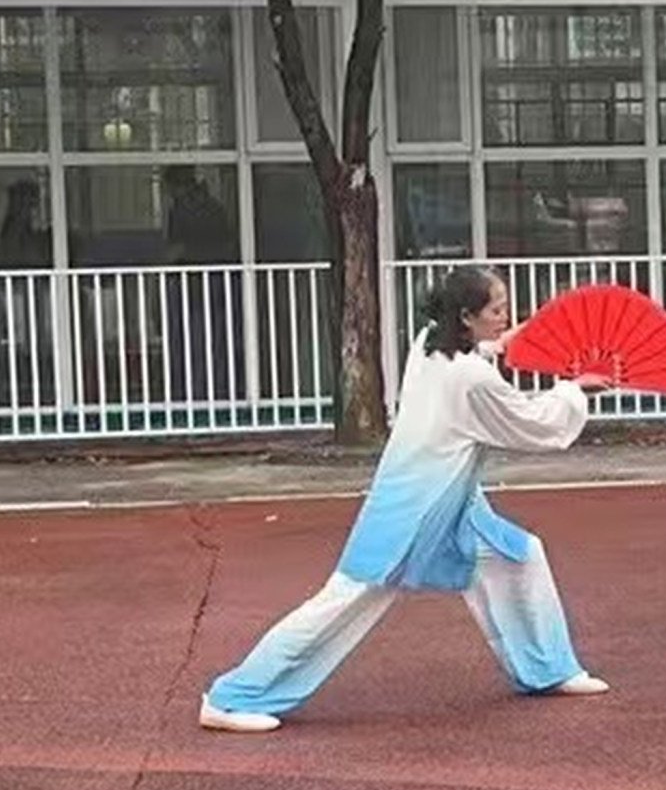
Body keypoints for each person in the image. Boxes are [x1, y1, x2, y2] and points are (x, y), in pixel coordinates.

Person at [195, 267, 613, 735]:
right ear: (466, 317)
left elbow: (483, 353)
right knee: (345, 600)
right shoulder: (470, 378)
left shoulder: (429, 341)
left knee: (517, 555)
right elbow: (535, 423)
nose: (504, 317)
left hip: (451, 502)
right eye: (496, 310)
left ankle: (548, 669)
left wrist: (512, 338)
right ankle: (234, 696)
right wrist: (574, 389)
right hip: (417, 508)